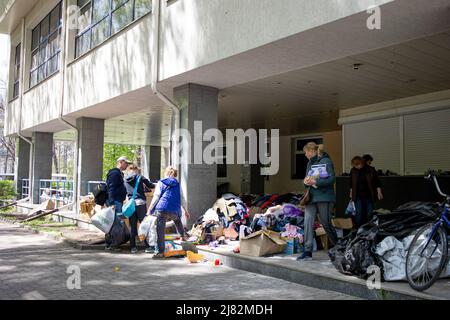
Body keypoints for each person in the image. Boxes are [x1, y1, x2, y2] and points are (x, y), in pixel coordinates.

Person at [298, 142, 338, 262]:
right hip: (311, 197)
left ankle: (338, 246)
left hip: (324, 197)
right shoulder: (310, 163)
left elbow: (331, 179)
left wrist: (315, 182)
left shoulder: (326, 161)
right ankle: (307, 251)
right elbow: (306, 180)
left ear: (312, 151)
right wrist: (305, 182)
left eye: (306, 152)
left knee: (326, 223)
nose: (305, 155)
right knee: (308, 222)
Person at [147, 166, 189, 259]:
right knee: (177, 220)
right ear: (175, 174)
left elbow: (156, 197)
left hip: (162, 208)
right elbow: (182, 198)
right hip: (174, 209)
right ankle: (183, 236)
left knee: (160, 230)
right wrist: (186, 210)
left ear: (166, 173)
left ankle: (161, 252)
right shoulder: (177, 184)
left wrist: (150, 208)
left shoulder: (161, 182)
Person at [124, 164, 155, 254]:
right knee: (143, 225)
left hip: (131, 205)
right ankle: (147, 246)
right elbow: (151, 185)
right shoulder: (140, 177)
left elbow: (125, 190)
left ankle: (133, 247)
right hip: (140, 203)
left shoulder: (125, 179)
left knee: (132, 226)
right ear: (136, 170)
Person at [349, 156, 383, 229]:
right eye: (354, 165)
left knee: (369, 213)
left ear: (361, 163)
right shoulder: (353, 170)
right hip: (357, 196)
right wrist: (351, 192)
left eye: (357, 165)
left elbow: (377, 182)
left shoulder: (371, 170)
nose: (356, 167)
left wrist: (379, 192)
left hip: (369, 195)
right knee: (358, 214)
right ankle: (358, 229)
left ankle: (369, 229)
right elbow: (351, 183)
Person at [105, 156, 130, 250]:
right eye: (126, 163)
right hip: (115, 202)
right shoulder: (115, 173)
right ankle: (113, 245)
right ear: (121, 162)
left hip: (117, 201)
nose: (127, 165)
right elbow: (111, 188)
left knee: (115, 222)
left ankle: (111, 244)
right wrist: (112, 203)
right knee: (117, 223)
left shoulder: (119, 173)